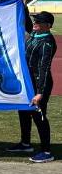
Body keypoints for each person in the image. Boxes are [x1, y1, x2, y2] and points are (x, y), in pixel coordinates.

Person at [7, 9, 56, 162]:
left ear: (47, 25)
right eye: (35, 20)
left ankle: (47, 152)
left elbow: (44, 69)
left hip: (40, 83)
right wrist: (24, 7)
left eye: (38, 21)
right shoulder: (36, 34)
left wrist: (40, 93)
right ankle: (25, 143)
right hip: (28, 82)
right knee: (23, 111)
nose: (35, 23)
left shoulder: (47, 43)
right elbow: (28, 25)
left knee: (39, 116)